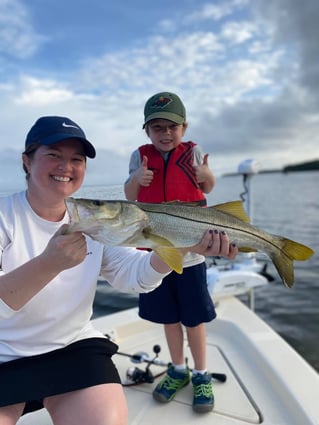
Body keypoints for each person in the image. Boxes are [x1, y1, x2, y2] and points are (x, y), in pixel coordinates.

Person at [0, 115, 238, 425]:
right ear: (27, 162)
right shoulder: (5, 217)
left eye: (77, 159)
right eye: (53, 155)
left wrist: (179, 248)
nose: (66, 167)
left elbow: (134, 275)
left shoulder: (93, 221)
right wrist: (47, 265)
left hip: (73, 345)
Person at [124, 91, 220, 414]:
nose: (165, 134)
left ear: (184, 127)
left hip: (191, 253)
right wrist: (137, 180)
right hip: (156, 254)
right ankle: (178, 369)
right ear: (147, 131)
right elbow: (130, 194)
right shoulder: (140, 157)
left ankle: (202, 373)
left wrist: (208, 178)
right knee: (168, 317)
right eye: (157, 128)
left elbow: (207, 186)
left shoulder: (194, 153)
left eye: (172, 127)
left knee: (194, 319)